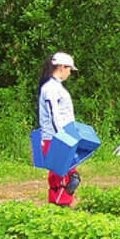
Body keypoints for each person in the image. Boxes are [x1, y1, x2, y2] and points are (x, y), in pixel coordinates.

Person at [38, 52, 82, 206]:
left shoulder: (57, 87)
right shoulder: (50, 88)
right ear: (62, 67)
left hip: (64, 137)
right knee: (63, 179)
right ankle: (58, 210)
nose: (70, 73)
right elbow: (54, 114)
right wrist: (62, 139)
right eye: (69, 69)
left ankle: (62, 209)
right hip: (55, 139)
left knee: (70, 177)